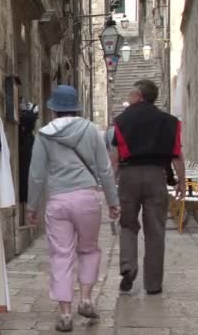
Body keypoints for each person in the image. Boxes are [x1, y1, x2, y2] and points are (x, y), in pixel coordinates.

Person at [26, 85, 120, 332]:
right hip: (88, 199)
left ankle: (65, 313)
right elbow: (105, 169)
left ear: (54, 109)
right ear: (76, 106)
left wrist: (31, 206)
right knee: (88, 250)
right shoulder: (91, 130)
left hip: (58, 200)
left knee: (61, 255)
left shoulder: (44, 135)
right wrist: (113, 201)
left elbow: (36, 175)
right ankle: (87, 298)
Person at [110, 79, 186, 296]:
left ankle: (128, 267)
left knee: (128, 225)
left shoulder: (122, 121)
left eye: (132, 94)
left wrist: (110, 184)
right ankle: (153, 284)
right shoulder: (170, 122)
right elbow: (177, 156)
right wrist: (181, 181)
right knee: (155, 230)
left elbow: (115, 158)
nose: (129, 97)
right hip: (156, 176)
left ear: (140, 96)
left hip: (128, 176)